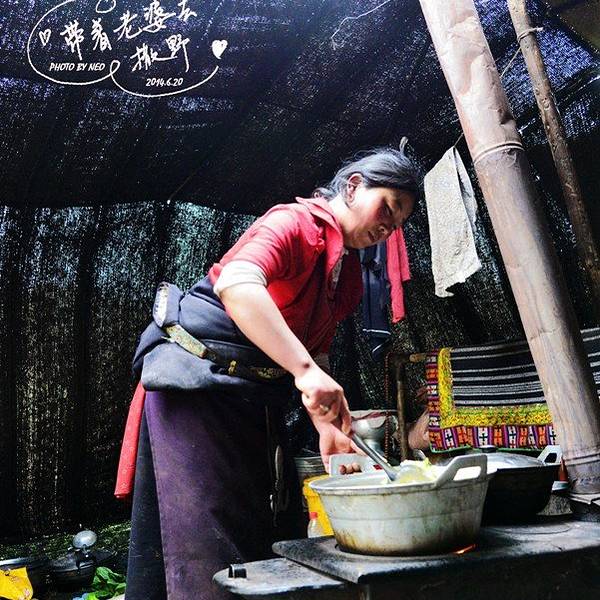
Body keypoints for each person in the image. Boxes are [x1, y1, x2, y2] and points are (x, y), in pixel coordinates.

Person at [120, 147, 419, 600]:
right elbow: (237, 283)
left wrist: (327, 426)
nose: (387, 227)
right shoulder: (294, 223)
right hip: (195, 382)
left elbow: (315, 352)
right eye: (387, 208)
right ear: (354, 187)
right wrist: (304, 371)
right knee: (207, 541)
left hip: (250, 394)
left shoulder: (348, 276)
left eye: (397, 223)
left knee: (259, 527)